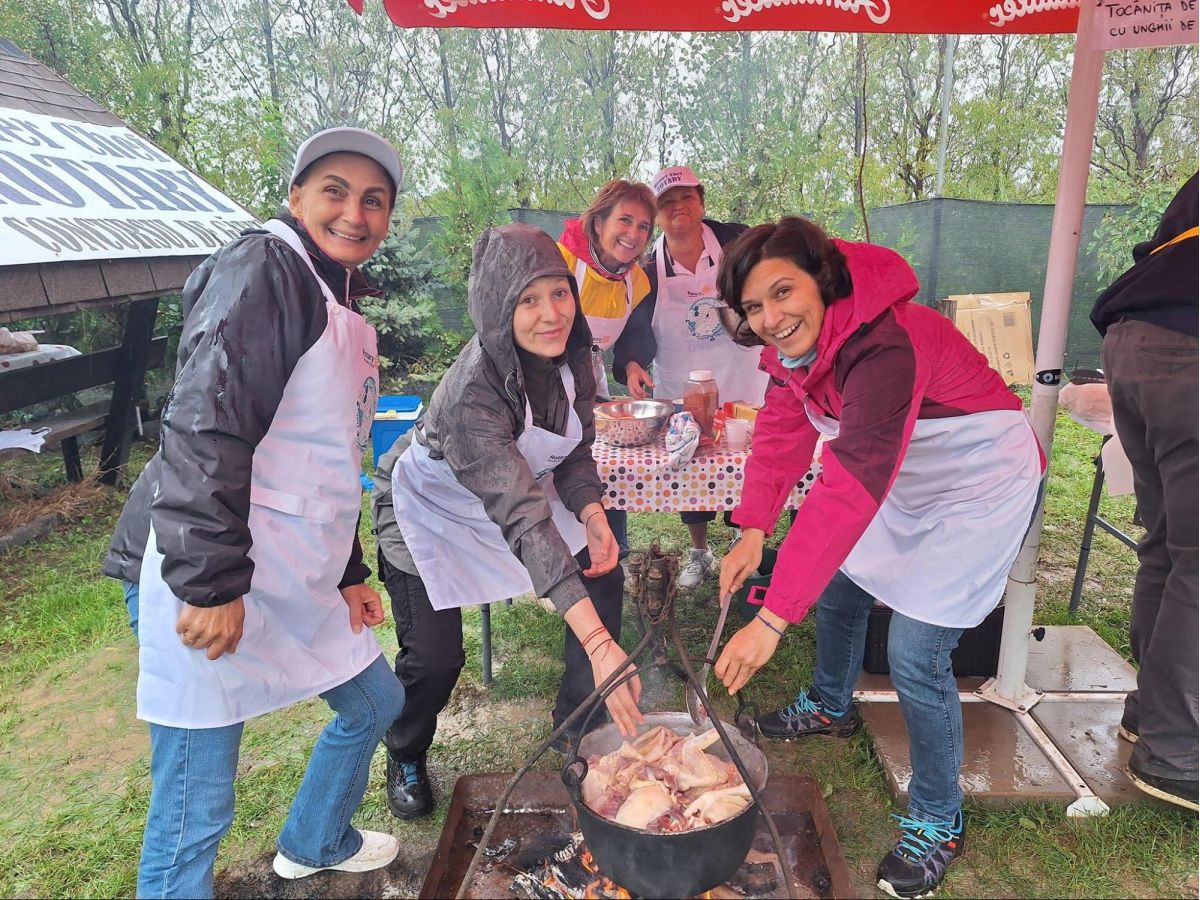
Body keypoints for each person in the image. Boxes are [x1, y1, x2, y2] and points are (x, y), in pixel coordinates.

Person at [101, 127, 407, 898]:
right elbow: (206, 421)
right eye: (334, 190)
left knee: (375, 700)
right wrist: (210, 583)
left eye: (375, 199)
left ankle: (315, 840)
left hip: (288, 566)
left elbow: (323, 456)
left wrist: (346, 572)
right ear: (296, 196)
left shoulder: (334, 293)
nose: (355, 213)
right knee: (195, 806)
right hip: (207, 566)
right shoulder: (264, 268)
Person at [711, 217, 1044, 899]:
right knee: (839, 582)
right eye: (753, 306)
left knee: (918, 651)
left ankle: (937, 818)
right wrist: (752, 527)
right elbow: (781, 430)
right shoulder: (795, 350)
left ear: (822, 280)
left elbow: (849, 485)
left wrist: (772, 618)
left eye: (783, 292)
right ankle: (830, 705)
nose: (771, 318)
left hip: (976, 478)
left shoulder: (883, 344)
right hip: (904, 470)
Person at [371, 223, 643, 821]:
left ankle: (577, 730)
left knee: (604, 578)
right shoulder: (474, 391)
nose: (551, 314)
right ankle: (406, 750)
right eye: (527, 300)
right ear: (498, 309)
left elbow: (572, 449)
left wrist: (592, 510)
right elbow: (523, 519)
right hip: (431, 515)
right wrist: (602, 645)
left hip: (513, 500)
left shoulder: (579, 358)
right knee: (435, 659)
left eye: (559, 294)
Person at [1090, 173, 1198, 812]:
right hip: (1190, 338)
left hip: (1133, 332)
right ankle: (1177, 750)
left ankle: (1151, 714)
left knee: (1168, 547)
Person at [613, 165, 769, 589]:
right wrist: (631, 364)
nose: (679, 207)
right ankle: (700, 550)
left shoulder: (738, 243)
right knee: (693, 472)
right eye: (668, 202)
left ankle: (743, 541)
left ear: (701, 202)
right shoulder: (646, 267)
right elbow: (633, 329)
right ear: (658, 215)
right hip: (684, 386)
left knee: (750, 469)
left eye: (687, 197)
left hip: (744, 381)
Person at [557, 179, 656, 559]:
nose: (633, 234)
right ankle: (556, 560)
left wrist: (631, 365)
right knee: (554, 465)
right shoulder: (560, 260)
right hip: (546, 382)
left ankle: (614, 546)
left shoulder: (636, 280)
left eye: (644, 226)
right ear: (598, 223)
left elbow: (632, 335)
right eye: (625, 220)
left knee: (595, 464)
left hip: (591, 382)